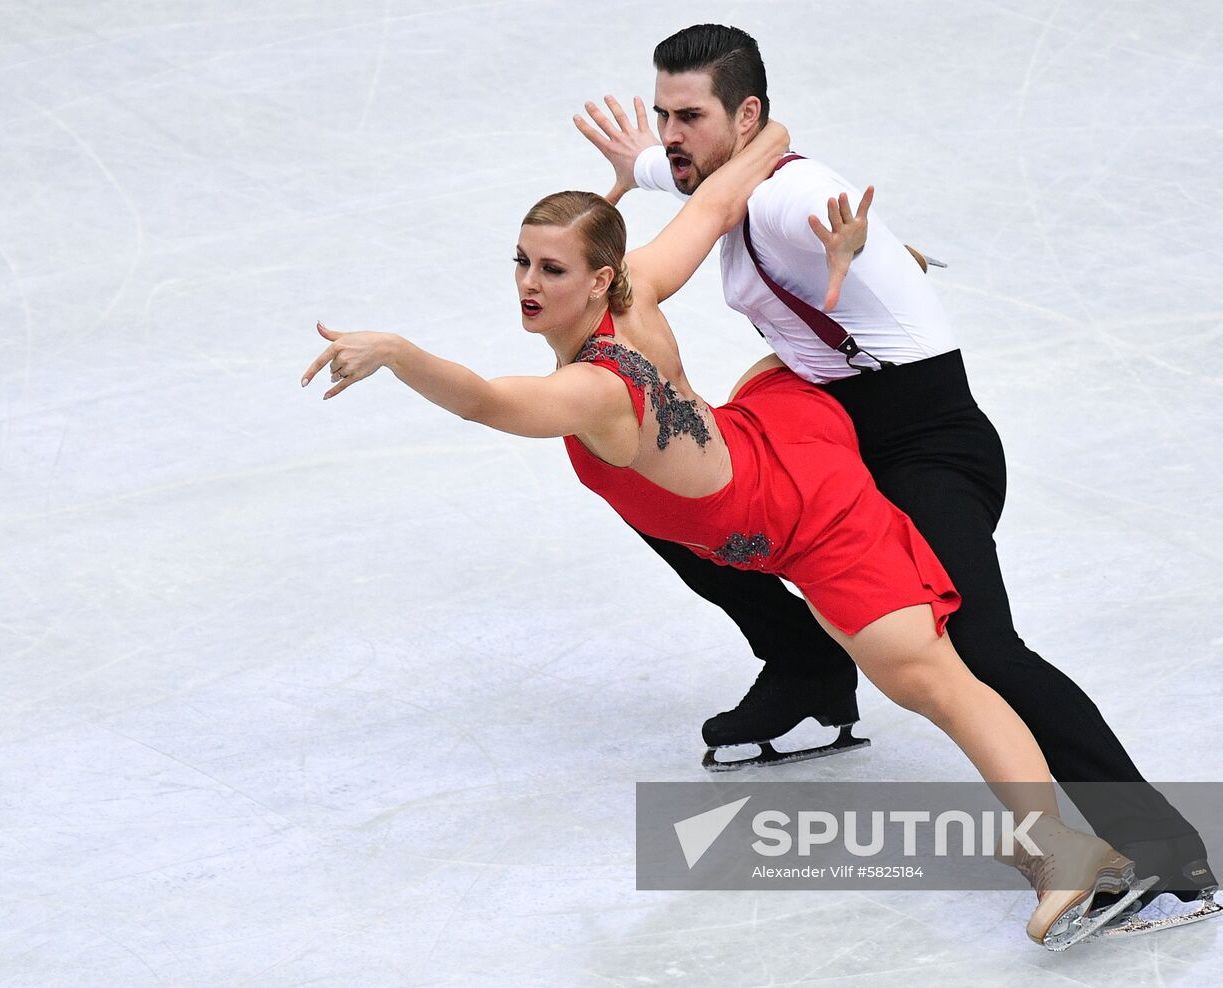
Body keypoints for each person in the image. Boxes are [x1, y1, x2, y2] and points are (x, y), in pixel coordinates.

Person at [300, 118, 1150, 949]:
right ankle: (871, 271)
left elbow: (487, 399)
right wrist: (764, 140)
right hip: (770, 422)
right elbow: (714, 206)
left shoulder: (595, 390)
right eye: (522, 261)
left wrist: (398, 352)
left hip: (809, 511)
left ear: (598, 281)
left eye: (552, 268)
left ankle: (1064, 853)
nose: (529, 282)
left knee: (928, 677)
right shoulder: (636, 283)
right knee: (763, 387)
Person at [572, 22, 1223, 933]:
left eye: (690, 117)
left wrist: (857, 248)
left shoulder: (791, 196)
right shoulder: (730, 173)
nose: (672, 133)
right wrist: (647, 163)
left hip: (927, 444)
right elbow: (706, 187)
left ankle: (1160, 845)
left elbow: (791, 197)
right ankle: (807, 668)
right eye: (663, 115)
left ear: (747, 114)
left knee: (981, 648)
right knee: (673, 498)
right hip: (840, 431)